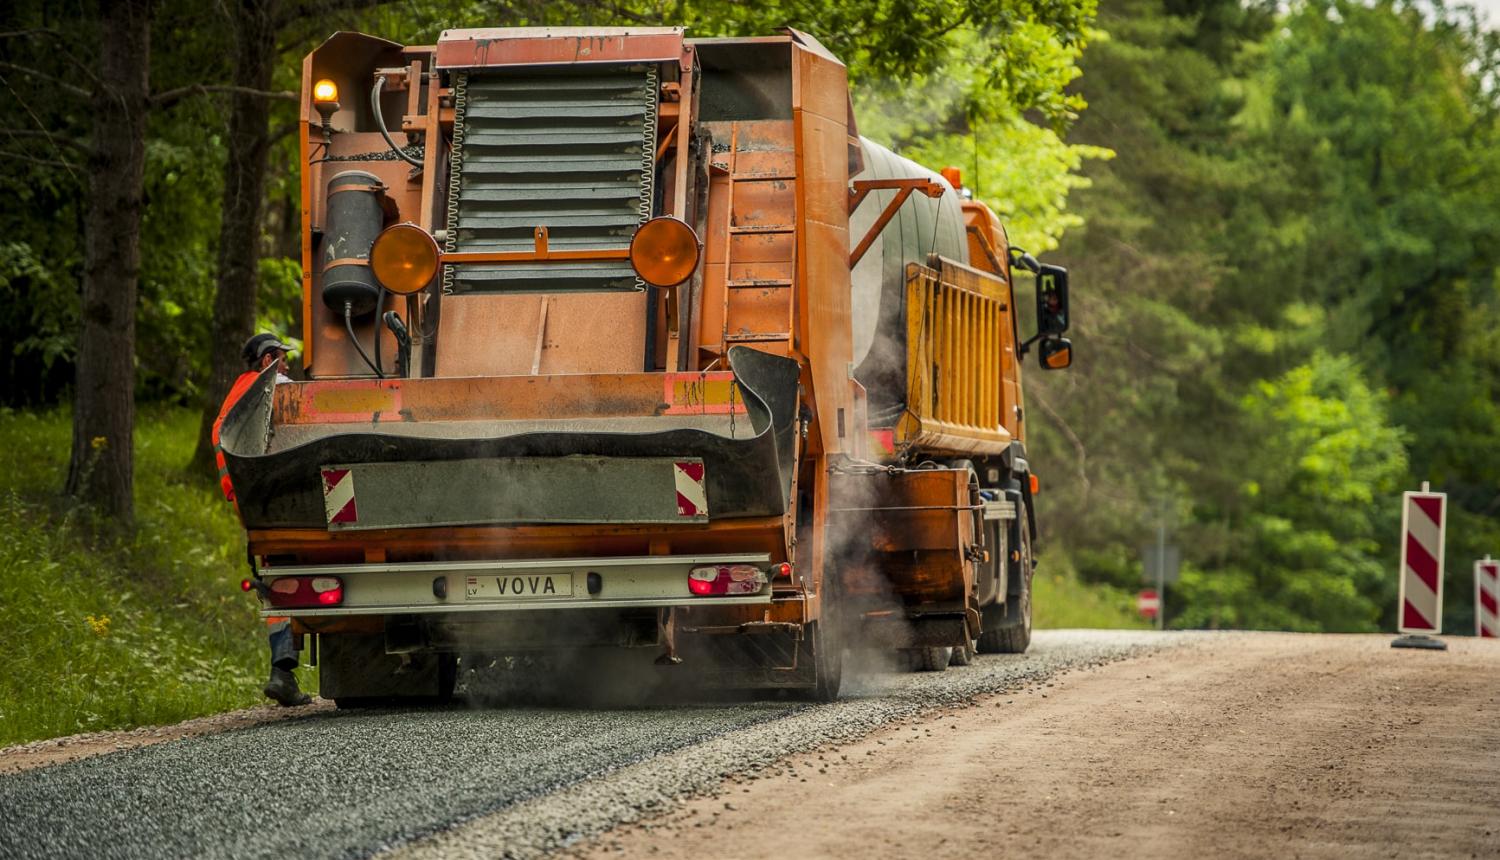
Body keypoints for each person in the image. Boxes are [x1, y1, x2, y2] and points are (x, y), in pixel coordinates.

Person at [213, 333, 311, 707]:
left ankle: (281, 672)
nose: (286, 366)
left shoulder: (235, 396)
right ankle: (282, 670)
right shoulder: (272, 385)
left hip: (251, 505)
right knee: (283, 571)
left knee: (277, 575)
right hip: (279, 496)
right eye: (282, 359)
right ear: (268, 359)